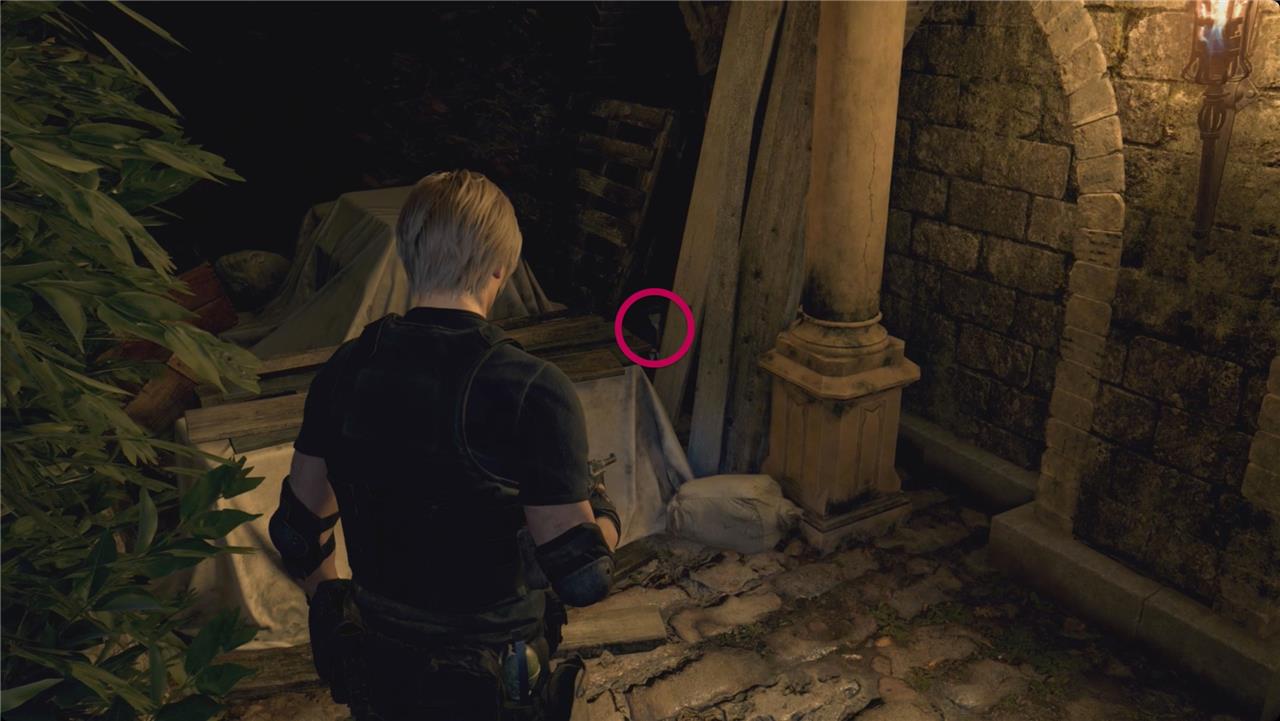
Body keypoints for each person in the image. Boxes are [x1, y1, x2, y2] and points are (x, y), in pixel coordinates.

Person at [268, 170, 621, 720]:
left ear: (409, 254)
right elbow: (582, 576)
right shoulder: (533, 387)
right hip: (494, 682)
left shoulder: (346, 368)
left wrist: (336, 606)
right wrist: (601, 510)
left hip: (382, 670)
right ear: (501, 265)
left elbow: (297, 531)